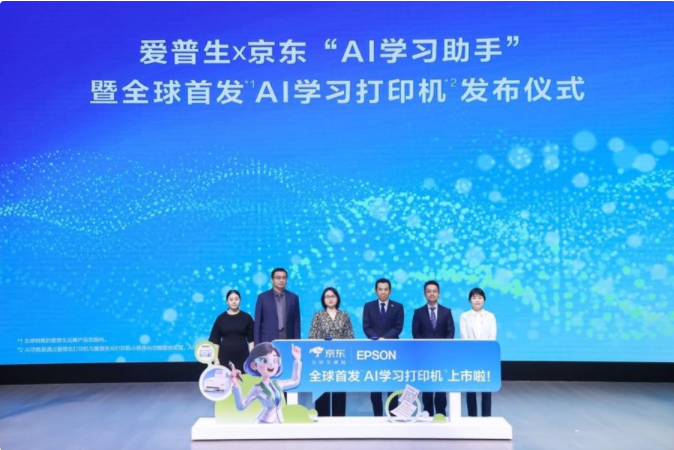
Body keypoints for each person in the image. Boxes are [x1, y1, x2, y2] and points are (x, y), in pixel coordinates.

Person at [308, 287, 355, 417]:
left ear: (337, 298)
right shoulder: (318, 315)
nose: (330, 299)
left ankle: (339, 420)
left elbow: (350, 336)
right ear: (323, 299)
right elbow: (312, 337)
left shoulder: (344, 315)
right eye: (327, 296)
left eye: (333, 296)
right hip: (322, 359)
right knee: (322, 392)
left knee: (339, 391)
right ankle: (322, 419)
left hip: (340, 358)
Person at [412, 280, 455, 417]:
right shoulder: (418, 312)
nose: (432, 294)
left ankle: (441, 414)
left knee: (441, 386)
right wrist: (427, 348)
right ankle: (427, 413)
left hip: (442, 355)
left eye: (434, 291)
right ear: (424, 294)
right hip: (425, 356)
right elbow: (416, 334)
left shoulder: (446, 312)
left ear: (439, 293)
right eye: (429, 291)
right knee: (427, 386)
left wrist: (442, 348)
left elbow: (450, 332)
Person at [362, 278, 404, 417]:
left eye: (386, 289)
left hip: (393, 351)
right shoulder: (368, 306)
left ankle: (393, 417)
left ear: (390, 291)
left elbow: (398, 327)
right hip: (374, 351)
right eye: (380, 289)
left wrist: (384, 339)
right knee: (375, 387)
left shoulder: (398, 307)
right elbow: (366, 327)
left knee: (393, 386)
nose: (383, 292)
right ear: (376, 291)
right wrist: (377, 339)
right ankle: (377, 417)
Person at [230, 342, 302, 423]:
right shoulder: (257, 388)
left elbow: (295, 381)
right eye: (264, 360)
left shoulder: (278, 384)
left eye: (275, 360)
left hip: (279, 421)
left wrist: (297, 360)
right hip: (263, 422)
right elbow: (241, 406)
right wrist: (236, 384)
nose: (271, 364)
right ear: (254, 365)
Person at [460, 287, 497, 417]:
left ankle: (486, 416)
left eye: (480, 297)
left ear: (484, 300)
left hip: (486, 356)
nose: (477, 300)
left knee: (486, 387)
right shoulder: (464, 316)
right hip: (470, 356)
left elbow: (492, 337)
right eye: (474, 297)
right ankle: (472, 415)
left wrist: (483, 351)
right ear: (470, 300)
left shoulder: (490, 316)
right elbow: (464, 337)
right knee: (470, 388)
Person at [209, 289, 254, 370]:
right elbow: (215, 341)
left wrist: (252, 358)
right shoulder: (221, 318)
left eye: (236, 299)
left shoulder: (247, 318)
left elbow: (251, 340)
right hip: (224, 356)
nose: (234, 302)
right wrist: (216, 359)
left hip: (243, 356)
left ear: (240, 300)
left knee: (243, 378)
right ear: (227, 301)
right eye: (231, 299)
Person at [254, 268, 301, 344]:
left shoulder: (293, 297)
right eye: (278, 278)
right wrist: (257, 344)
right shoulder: (262, 297)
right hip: (268, 339)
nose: (281, 280)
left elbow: (296, 322)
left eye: (284, 278)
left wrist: (297, 342)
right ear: (272, 280)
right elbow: (258, 323)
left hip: (288, 339)